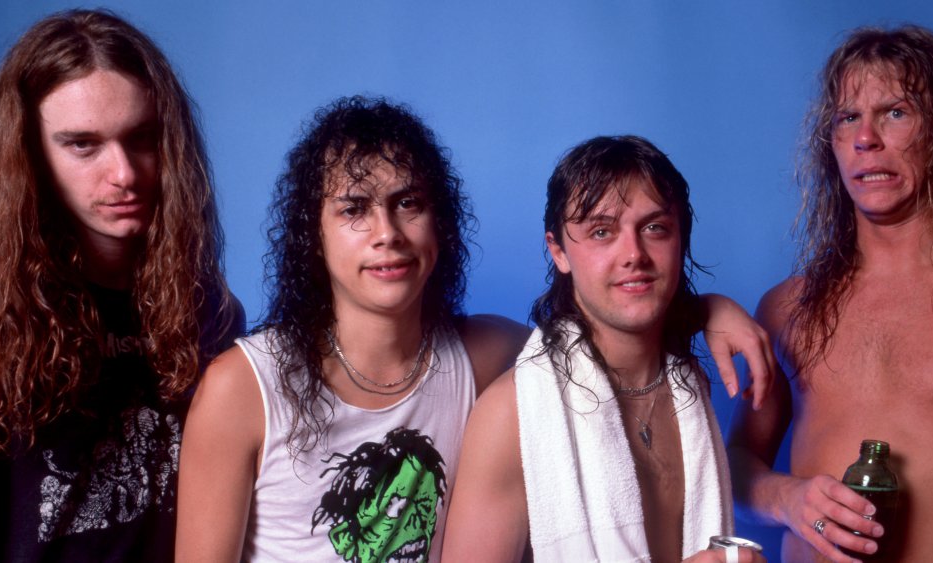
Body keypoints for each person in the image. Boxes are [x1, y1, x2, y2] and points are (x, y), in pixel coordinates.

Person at [176, 101, 771, 562]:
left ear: (440, 222)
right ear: (315, 234)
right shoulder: (241, 388)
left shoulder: (488, 356)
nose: (388, 232)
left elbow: (602, 330)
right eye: (355, 209)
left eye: (408, 203)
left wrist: (703, 308)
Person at [727, 25, 933, 563]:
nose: (865, 138)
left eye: (895, 112)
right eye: (848, 117)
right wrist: (786, 498)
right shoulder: (788, 307)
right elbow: (734, 466)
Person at [442, 135, 768, 563]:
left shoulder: (691, 385)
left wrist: (709, 308)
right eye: (601, 231)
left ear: (680, 240)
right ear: (558, 251)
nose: (634, 254)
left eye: (655, 228)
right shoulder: (511, 415)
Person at [0, 9, 243, 562]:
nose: (125, 174)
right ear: (30, 155)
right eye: (83, 145)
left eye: (142, 138)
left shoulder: (212, 309)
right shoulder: (3, 314)